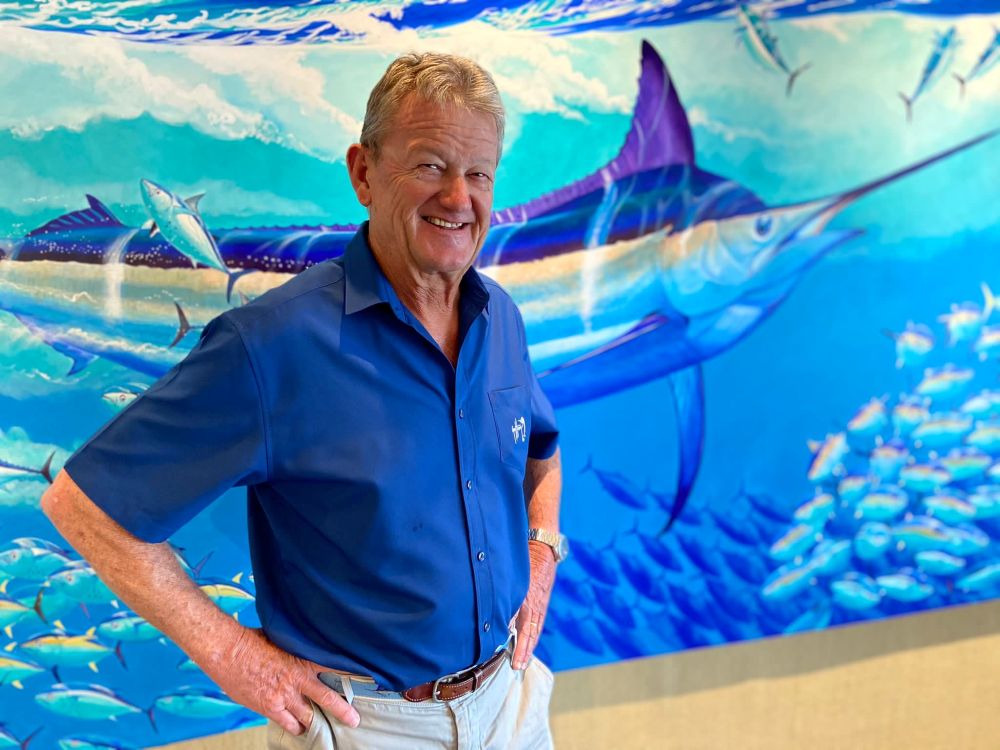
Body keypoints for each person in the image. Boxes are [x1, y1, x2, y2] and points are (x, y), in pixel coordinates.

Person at [41, 51, 567, 750]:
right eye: (431, 166)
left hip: (509, 705)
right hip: (370, 728)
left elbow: (538, 450)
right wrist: (233, 657)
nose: (458, 199)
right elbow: (82, 506)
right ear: (363, 172)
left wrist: (541, 549)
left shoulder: (498, 316)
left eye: (478, 175)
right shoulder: (272, 345)